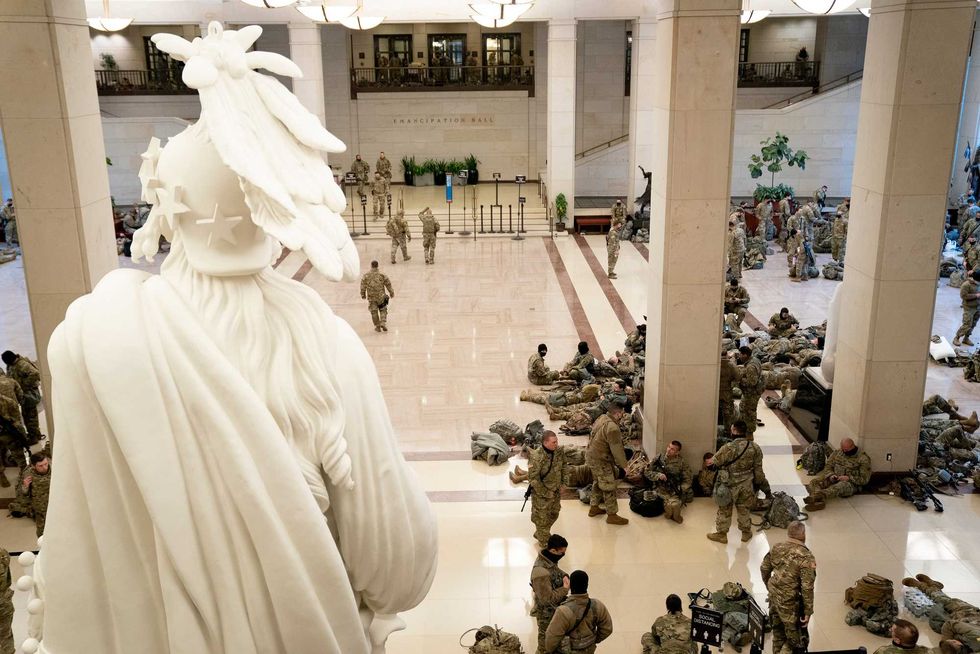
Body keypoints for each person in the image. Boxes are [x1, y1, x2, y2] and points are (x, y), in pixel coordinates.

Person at [707, 419, 767, 544]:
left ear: (734, 430)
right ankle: (746, 533)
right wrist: (757, 484)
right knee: (744, 509)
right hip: (747, 484)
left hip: (729, 485)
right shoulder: (755, 447)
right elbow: (759, 470)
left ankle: (721, 534)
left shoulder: (728, 448)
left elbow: (712, 465)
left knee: (725, 509)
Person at [761, 521, 816, 654]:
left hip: (774, 599)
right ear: (803, 535)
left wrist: (770, 587)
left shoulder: (777, 547)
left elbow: (764, 568)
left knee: (778, 634)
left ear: (789, 533)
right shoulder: (806, 557)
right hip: (791, 605)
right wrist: (808, 611)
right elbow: (807, 587)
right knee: (796, 642)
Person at [544, 570, 613, 654]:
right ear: (587, 585)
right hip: (589, 649)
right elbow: (607, 629)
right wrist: (594, 640)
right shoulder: (598, 605)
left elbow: (551, 639)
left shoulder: (563, 611)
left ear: (570, 586)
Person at [902, 575, 980, 649]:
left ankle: (934, 586)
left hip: (957, 618)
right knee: (939, 598)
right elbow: (950, 625)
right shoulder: (974, 634)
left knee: (935, 609)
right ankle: (922, 585)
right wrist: (946, 643)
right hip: (965, 611)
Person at [586, 399, 629, 525]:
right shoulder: (613, 428)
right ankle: (612, 515)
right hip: (601, 460)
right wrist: (624, 466)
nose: (622, 416)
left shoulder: (602, 417)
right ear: (618, 413)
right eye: (622, 413)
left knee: (598, 482)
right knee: (609, 485)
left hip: (591, 457)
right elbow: (617, 449)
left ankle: (594, 508)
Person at [804, 438, 871, 511]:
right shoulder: (838, 452)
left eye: (846, 450)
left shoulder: (863, 458)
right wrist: (831, 475)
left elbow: (864, 479)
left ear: (852, 446)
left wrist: (849, 478)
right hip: (834, 478)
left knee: (840, 486)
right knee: (814, 482)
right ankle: (819, 501)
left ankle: (817, 496)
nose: (844, 452)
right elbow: (828, 466)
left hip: (850, 484)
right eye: (843, 450)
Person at [528, 432, 570, 546]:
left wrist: (564, 484)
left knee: (554, 513)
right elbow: (533, 479)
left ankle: (541, 533)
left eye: (557, 441)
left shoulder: (559, 451)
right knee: (542, 519)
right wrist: (546, 493)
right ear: (545, 442)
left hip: (556, 491)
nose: (557, 444)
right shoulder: (536, 456)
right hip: (541, 494)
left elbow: (565, 466)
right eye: (554, 442)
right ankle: (544, 542)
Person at [531, 534, 571, 654]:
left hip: (553, 609)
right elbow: (546, 600)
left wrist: (563, 575)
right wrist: (564, 589)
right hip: (546, 614)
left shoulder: (548, 558)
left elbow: (554, 569)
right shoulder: (541, 572)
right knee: (544, 643)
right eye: (561, 553)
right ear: (553, 550)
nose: (563, 555)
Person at [643, 440, 693, 524]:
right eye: (668, 447)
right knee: (668, 505)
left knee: (675, 504)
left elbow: (688, 479)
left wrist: (681, 489)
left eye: (672, 449)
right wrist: (658, 475)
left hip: (675, 489)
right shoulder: (659, 458)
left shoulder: (681, 462)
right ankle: (670, 512)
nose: (669, 450)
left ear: (677, 452)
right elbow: (646, 472)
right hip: (660, 488)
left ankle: (674, 513)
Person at [2, 351, 41, 444]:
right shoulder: (12, 365)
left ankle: (34, 436)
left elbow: (35, 374)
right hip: (24, 395)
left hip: (29, 395)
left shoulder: (22, 364)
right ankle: (34, 434)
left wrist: (24, 385)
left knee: (31, 417)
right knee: (27, 415)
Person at [736, 346, 765, 439]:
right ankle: (743, 428)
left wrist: (740, 379)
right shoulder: (755, 360)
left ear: (745, 355)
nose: (739, 356)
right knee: (743, 408)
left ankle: (749, 433)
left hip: (751, 393)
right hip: (752, 392)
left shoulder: (751, 366)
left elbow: (752, 382)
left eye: (740, 354)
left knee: (750, 412)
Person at [360, 260, 394, 332]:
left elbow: (362, 286)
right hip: (381, 296)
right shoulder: (382, 274)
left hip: (371, 297)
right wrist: (391, 292)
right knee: (383, 309)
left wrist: (363, 294)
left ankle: (377, 326)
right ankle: (383, 322)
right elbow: (388, 283)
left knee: (374, 311)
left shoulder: (366, 275)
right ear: (377, 266)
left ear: (371, 266)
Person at [24, 452, 50, 537]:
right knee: (41, 535)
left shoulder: (55, 471)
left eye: (46, 464)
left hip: (54, 508)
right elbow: (23, 496)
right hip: (40, 512)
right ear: (33, 466)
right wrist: (25, 487)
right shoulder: (28, 474)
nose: (44, 467)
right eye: (40, 466)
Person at [953, 270, 980, 346]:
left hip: (978, 307)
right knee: (967, 324)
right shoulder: (966, 285)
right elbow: (963, 296)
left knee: (973, 324)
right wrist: (976, 296)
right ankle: (956, 338)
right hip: (969, 307)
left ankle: (966, 338)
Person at [719, 352, 739, 434]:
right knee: (727, 413)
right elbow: (737, 377)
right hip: (726, 392)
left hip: (714, 392)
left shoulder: (714, 364)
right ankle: (727, 431)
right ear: (727, 355)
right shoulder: (731, 365)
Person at [608, 200, 627, 279]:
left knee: (614, 259)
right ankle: (610, 273)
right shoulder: (613, 232)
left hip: (614, 247)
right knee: (612, 259)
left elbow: (624, 214)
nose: (620, 226)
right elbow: (613, 242)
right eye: (618, 225)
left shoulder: (615, 231)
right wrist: (616, 249)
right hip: (613, 248)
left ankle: (611, 271)